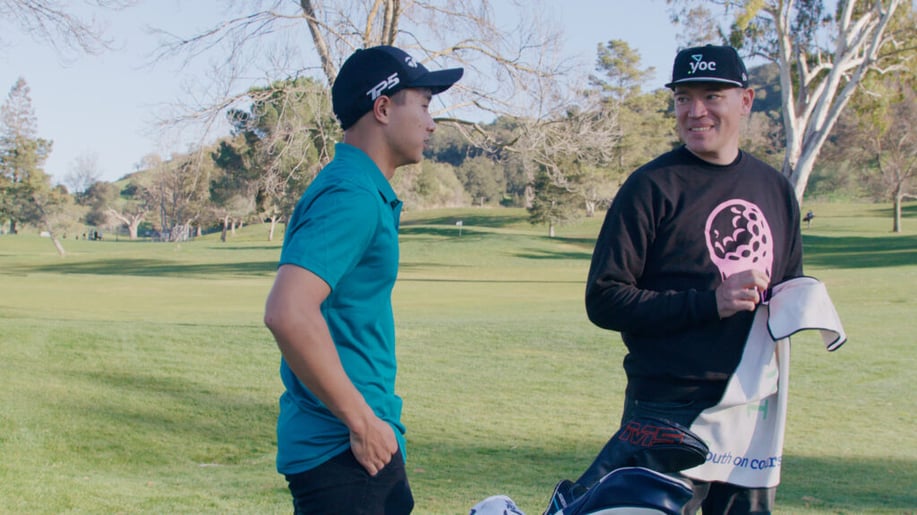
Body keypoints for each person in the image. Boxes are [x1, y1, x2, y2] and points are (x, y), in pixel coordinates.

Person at [580, 45, 803, 514]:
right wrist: (710, 302)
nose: (695, 111)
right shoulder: (651, 186)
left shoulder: (775, 189)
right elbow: (604, 299)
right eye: (684, 98)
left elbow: (786, 286)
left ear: (746, 100)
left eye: (712, 96)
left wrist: (805, 303)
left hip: (752, 406)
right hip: (666, 408)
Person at [263, 45, 463, 514]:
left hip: (351, 448)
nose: (432, 123)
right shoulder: (351, 194)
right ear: (383, 107)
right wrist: (363, 424)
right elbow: (288, 311)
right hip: (345, 451)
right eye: (425, 104)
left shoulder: (359, 188)